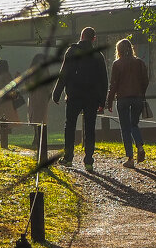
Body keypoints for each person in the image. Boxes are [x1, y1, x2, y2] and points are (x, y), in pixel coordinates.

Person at [52, 27, 108, 171]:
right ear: (93, 39)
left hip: (74, 95)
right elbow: (103, 79)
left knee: (70, 126)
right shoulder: (98, 55)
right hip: (92, 97)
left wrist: (56, 93)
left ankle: (68, 158)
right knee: (90, 128)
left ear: (81, 36)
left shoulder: (72, 51)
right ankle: (89, 160)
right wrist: (103, 100)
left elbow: (64, 73)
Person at [106, 38, 150, 167]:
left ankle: (130, 158)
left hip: (123, 99)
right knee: (134, 124)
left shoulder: (117, 64)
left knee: (125, 128)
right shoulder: (139, 63)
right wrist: (141, 93)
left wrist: (109, 101)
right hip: (137, 98)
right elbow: (145, 81)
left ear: (118, 50)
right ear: (131, 49)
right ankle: (140, 146)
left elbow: (113, 84)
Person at [28, 53, 51, 153]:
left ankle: (37, 138)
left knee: (35, 117)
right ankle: (38, 138)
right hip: (41, 96)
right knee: (40, 117)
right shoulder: (43, 69)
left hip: (35, 95)